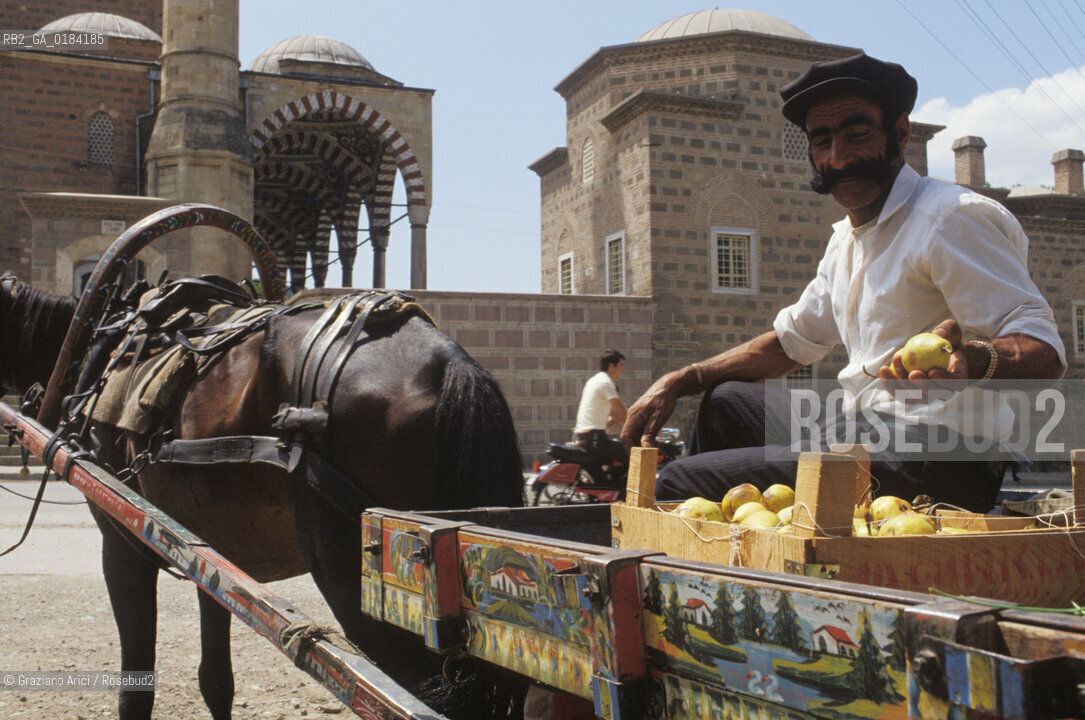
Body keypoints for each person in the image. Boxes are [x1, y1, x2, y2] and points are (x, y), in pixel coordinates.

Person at [621, 53, 1065, 512]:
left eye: (857, 135)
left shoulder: (949, 219)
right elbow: (791, 341)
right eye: (822, 141)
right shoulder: (848, 241)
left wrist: (972, 360)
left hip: (935, 456)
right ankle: (759, 547)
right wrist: (681, 379)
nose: (838, 158)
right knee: (725, 400)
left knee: (676, 481)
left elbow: (1045, 350)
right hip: (860, 428)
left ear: (900, 134)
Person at [574, 349, 629, 465]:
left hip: (585, 436)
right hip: (595, 437)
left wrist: (627, 422)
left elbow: (614, 414)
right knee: (632, 454)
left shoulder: (594, 380)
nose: (622, 370)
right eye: (621, 366)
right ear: (611, 366)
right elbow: (622, 411)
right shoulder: (606, 383)